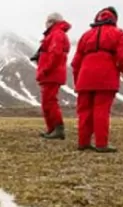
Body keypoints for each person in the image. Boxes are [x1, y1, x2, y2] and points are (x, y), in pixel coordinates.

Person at [71, 6, 123, 152]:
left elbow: (75, 63)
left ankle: (83, 142)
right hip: (106, 77)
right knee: (101, 110)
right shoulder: (118, 33)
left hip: (85, 78)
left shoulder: (86, 35)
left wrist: (78, 82)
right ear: (114, 19)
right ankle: (101, 144)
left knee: (84, 111)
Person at [32, 12, 71, 140]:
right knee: (47, 102)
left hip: (51, 74)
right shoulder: (54, 34)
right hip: (50, 74)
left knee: (50, 101)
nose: (46, 23)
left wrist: (45, 69)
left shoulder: (57, 34)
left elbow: (55, 54)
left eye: (48, 21)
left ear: (53, 22)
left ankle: (58, 129)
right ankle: (52, 129)